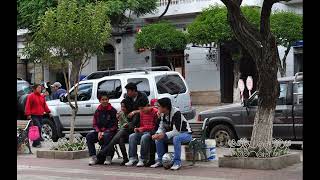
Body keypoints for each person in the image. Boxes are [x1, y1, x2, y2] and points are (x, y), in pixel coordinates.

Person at [151, 97, 192, 170]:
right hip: (173, 135)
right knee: (158, 139)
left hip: (186, 134)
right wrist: (158, 134)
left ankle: (177, 162)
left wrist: (164, 135)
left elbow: (177, 131)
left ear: (165, 107)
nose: (157, 108)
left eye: (159, 106)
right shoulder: (162, 113)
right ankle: (160, 161)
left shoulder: (176, 113)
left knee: (176, 138)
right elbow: (161, 127)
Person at [124, 82, 156, 166]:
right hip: (142, 129)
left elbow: (151, 126)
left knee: (144, 137)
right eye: (140, 109)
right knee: (132, 136)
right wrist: (138, 129)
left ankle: (143, 158)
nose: (142, 110)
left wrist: (141, 129)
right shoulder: (141, 112)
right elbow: (142, 125)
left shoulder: (153, 111)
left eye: (143, 108)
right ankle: (133, 158)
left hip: (150, 131)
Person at [96, 98, 133, 166]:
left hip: (130, 132)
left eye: (124, 107)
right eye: (122, 106)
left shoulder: (131, 114)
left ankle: (105, 150)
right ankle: (125, 158)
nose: (122, 108)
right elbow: (118, 125)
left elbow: (133, 124)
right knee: (120, 139)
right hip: (121, 133)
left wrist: (127, 124)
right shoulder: (121, 113)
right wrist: (118, 118)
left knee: (122, 131)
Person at [86, 91, 118, 166]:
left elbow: (114, 126)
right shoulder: (97, 111)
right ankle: (93, 157)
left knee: (106, 136)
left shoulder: (113, 111)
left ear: (108, 100)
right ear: (100, 101)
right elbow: (95, 124)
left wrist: (104, 132)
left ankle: (108, 156)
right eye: (103, 100)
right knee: (89, 136)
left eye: (106, 99)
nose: (105, 101)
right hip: (99, 132)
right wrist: (98, 131)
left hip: (110, 132)